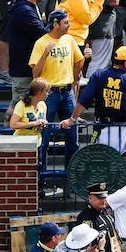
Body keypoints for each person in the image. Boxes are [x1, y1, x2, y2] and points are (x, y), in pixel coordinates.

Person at [60, 46, 126, 151]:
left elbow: (83, 100)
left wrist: (72, 119)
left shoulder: (99, 74)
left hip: (101, 128)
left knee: (99, 161)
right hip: (122, 131)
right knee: (121, 164)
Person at [29, 9, 83, 170]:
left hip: (67, 92)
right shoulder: (41, 43)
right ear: (55, 24)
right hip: (48, 94)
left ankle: (70, 179)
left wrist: (72, 79)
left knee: (73, 139)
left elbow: (79, 61)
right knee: (43, 138)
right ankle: (41, 179)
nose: (69, 25)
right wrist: (45, 54)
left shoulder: (69, 39)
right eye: (66, 22)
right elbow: (35, 74)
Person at [6, 0, 49, 109]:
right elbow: (42, 33)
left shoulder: (27, 6)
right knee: (19, 106)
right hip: (23, 68)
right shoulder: (24, 11)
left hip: (24, 65)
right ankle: (8, 128)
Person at [76, 183, 122, 252]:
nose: (103, 200)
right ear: (90, 198)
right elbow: (89, 248)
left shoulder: (106, 213)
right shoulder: (85, 217)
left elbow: (114, 237)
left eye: (105, 197)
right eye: (99, 197)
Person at [9, 78, 50, 147]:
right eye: (46, 91)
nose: (48, 94)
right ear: (39, 93)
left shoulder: (43, 105)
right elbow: (13, 125)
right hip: (22, 143)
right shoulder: (21, 104)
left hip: (37, 143)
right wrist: (33, 123)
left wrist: (43, 124)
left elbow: (42, 121)